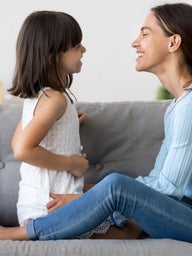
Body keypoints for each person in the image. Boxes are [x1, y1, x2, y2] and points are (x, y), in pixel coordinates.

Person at [1, 2, 192, 242]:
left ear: (173, 43)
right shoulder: (177, 106)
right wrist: (91, 194)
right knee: (113, 182)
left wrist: (89, 199)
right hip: (179, 213)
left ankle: (24, 233)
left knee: (115, 185)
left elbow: (170, 191)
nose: (135, 42)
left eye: (145, 34)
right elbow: (159, 182)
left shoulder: (189, 107)